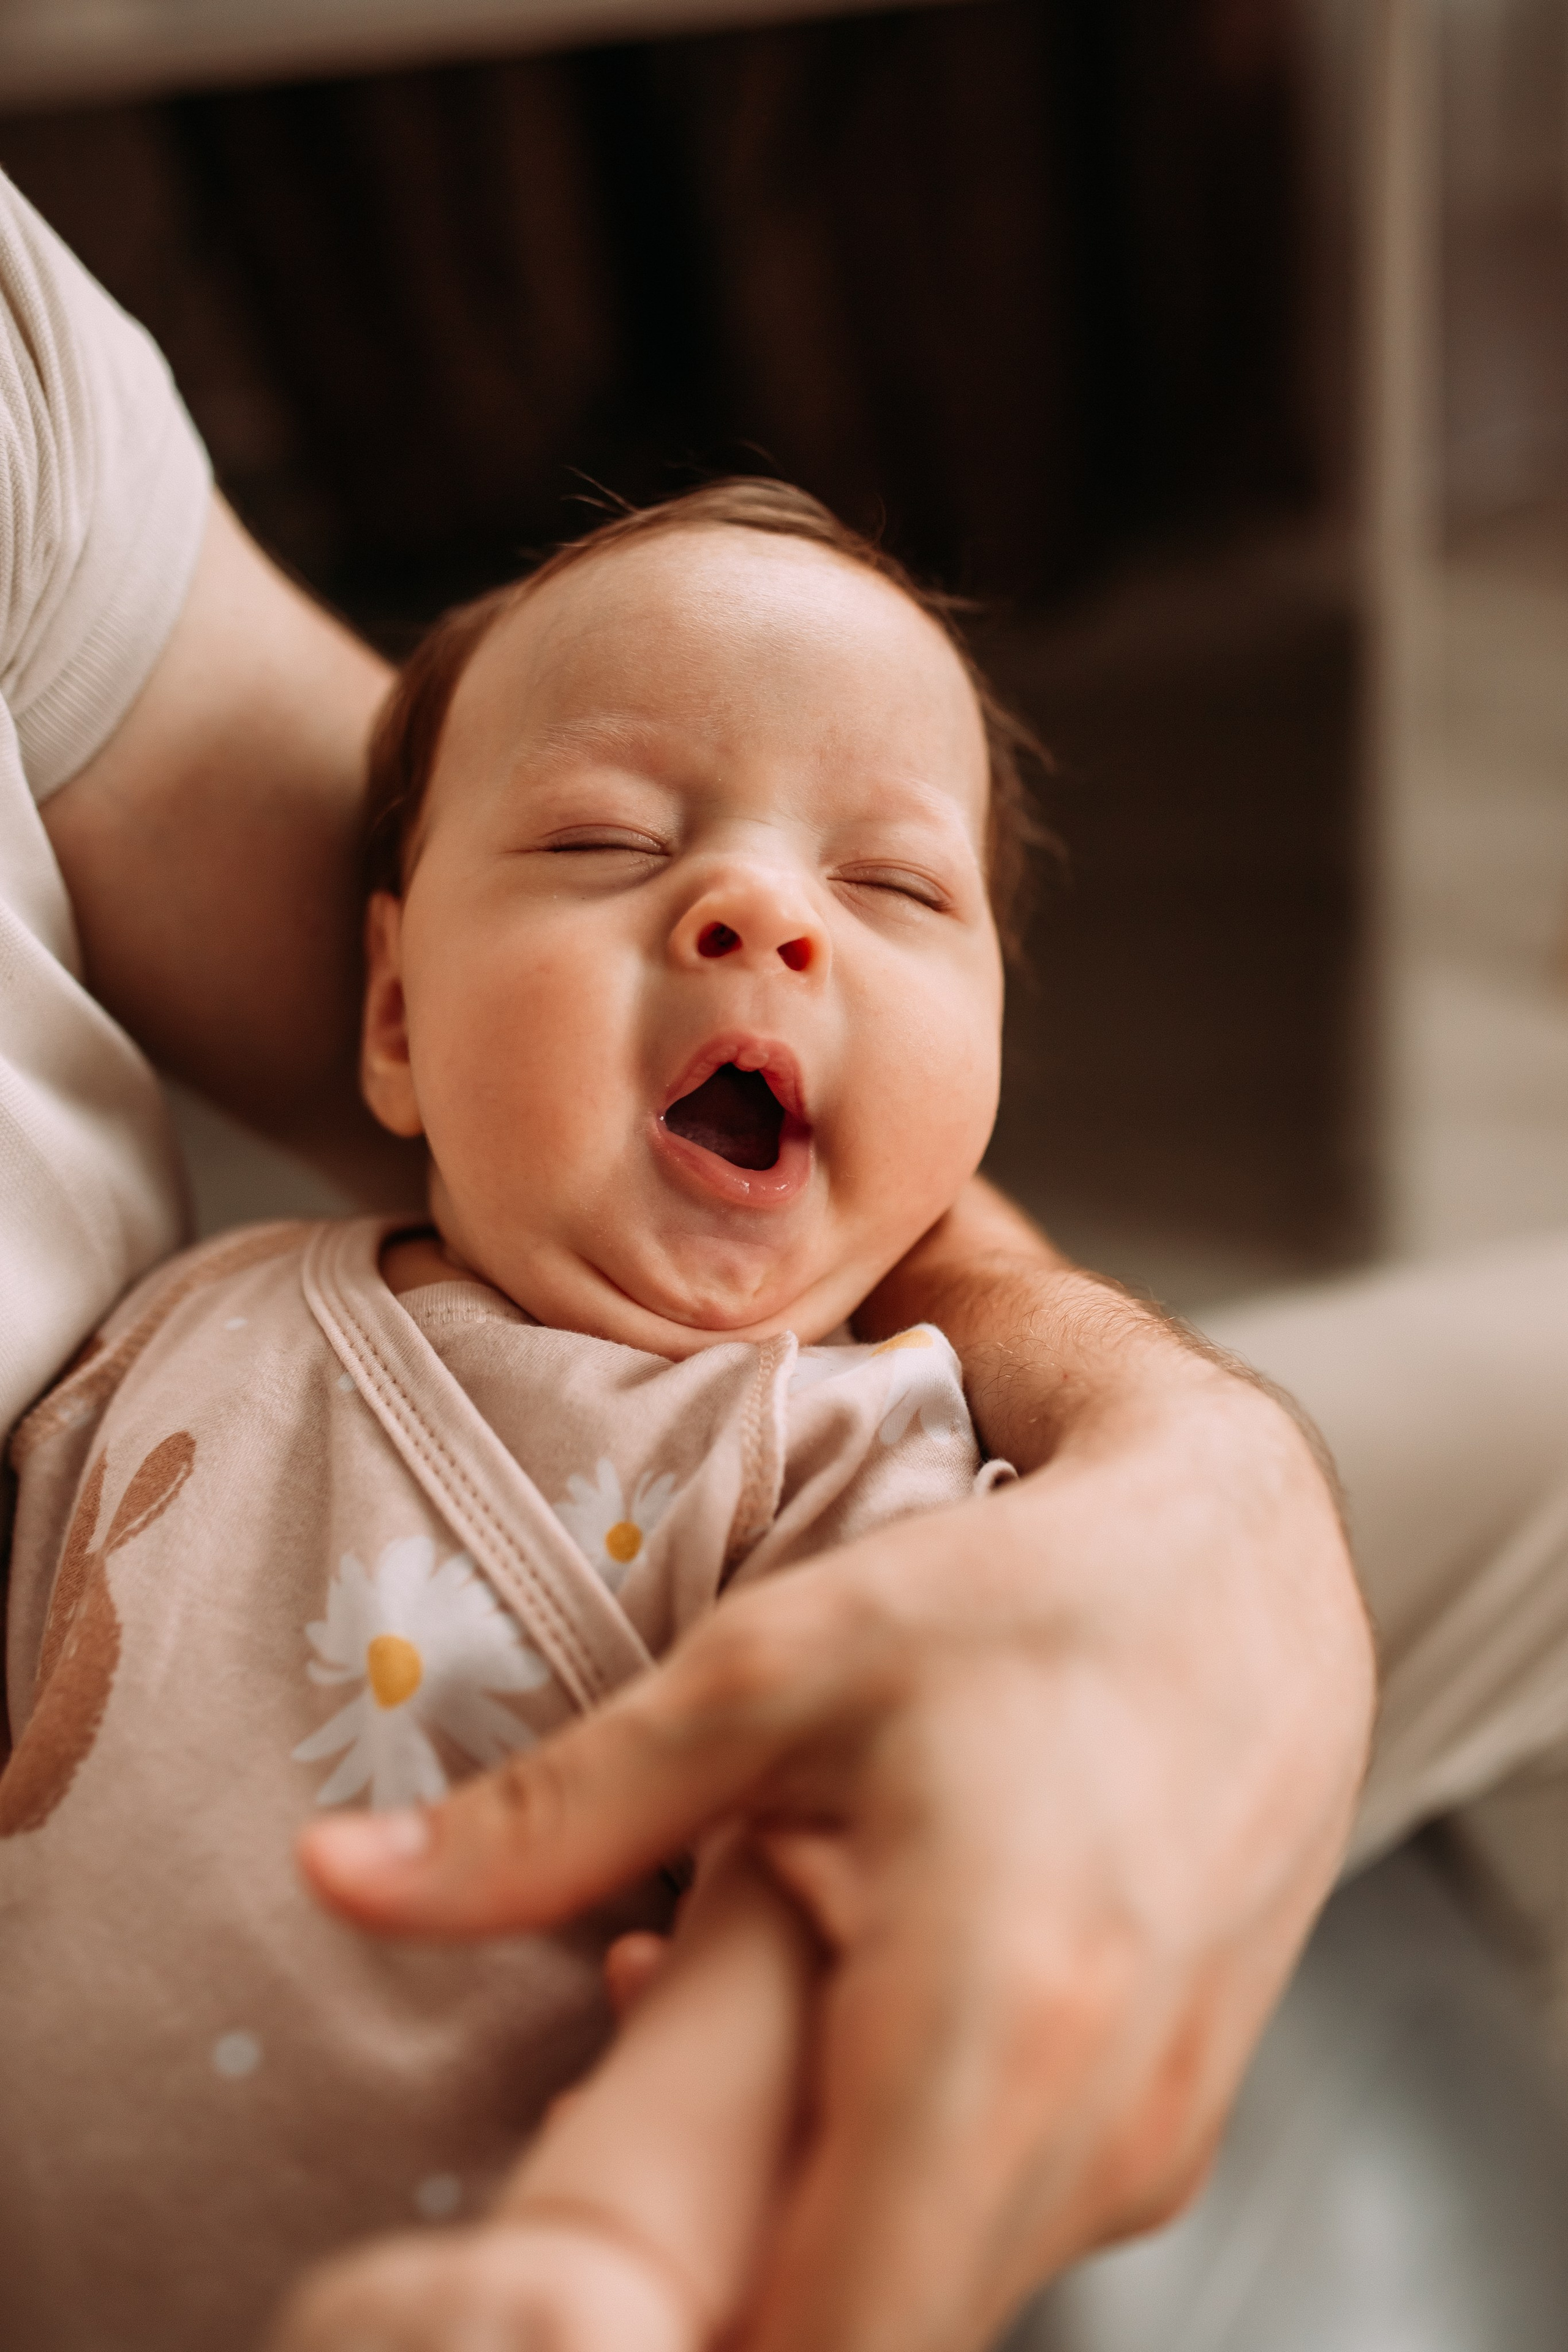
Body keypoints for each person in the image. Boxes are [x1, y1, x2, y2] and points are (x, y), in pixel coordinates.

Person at [0, 164, 1371, 2352]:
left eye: (899, 891)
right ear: (390, 1016)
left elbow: (806, 1900)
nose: (757, 911)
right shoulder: (180, 1324)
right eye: (607, 842)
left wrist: (612, 2254)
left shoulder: (851, 1471)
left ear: (995, 1072)